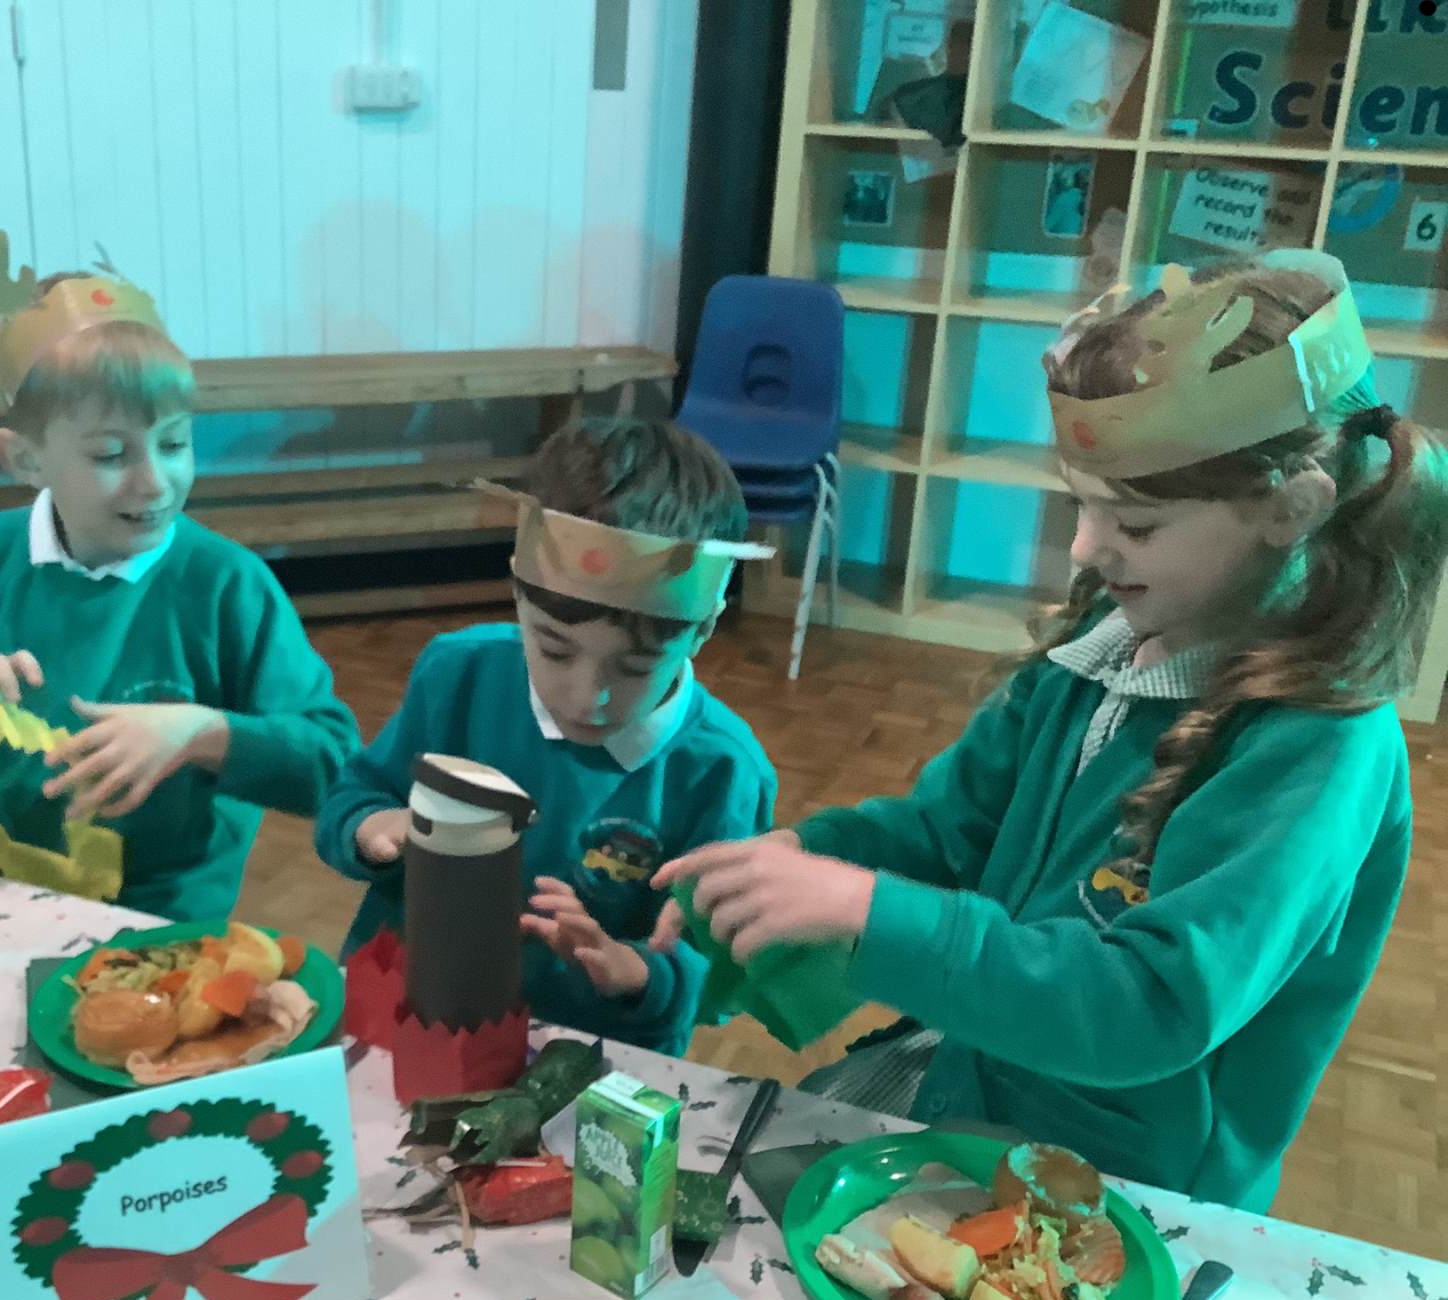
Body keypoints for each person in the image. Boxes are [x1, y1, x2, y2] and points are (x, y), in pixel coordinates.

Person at [656, 251, 1448, 1209]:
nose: (1083, 548)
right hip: (973, 1089)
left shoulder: (1320, 742)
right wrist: (803, 863)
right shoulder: (1102, 646)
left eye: (1137, 525)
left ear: (1290, 508)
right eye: (1082, 505)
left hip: (1124, 1191)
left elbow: (1149, 1003)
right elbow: (951, 833)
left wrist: (868, 909)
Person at [0, 233, 359, 918]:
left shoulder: (225, 584)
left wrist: (201, 733)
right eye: (110, 454)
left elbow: (335, 763)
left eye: (175, 443)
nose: (154, 481)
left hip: (159, 918)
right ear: (25, 459)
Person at [316, 418, 777, 1055]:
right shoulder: (458, 674)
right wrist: (374, 830)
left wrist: (637, 971)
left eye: (635, 667)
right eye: (555, 650)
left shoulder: (721, 770)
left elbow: (724, 972)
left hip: (588, 1058)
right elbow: (353, 796)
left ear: (702, 630)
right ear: (517, 597)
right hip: (408, 1023)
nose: (589, 697)